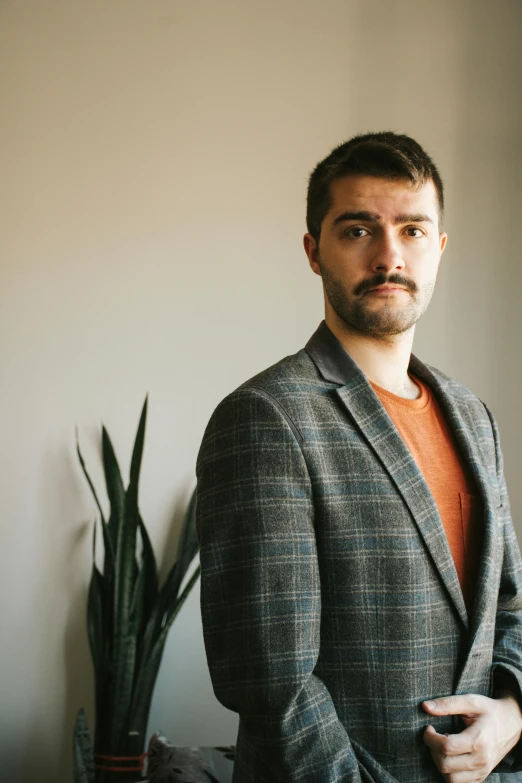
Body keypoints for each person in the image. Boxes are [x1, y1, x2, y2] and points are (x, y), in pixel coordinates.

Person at [195, 132, 522, 782]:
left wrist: (512, 712)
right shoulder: (266, 416)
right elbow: (272, 684)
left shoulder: (473, 416)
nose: (389, 255)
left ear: (440, 249)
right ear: (315, 251)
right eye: (357, 230)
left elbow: (508, 603)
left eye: (412, 230)